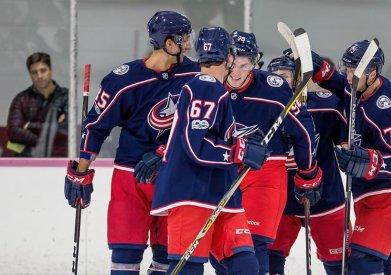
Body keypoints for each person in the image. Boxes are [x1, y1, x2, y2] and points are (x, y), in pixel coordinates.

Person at [63, 11, 199, 275]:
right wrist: (80, 171)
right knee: (125, 257)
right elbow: (96, 126)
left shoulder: (195, 75)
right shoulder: (123, 80)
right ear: (169, 44)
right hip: (131, 177)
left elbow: (203, 123)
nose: (189, 43)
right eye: (184, 38)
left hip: (174, 175)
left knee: (168, 257)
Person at [151, 26, 269, 275]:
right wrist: (238, 152)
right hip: (192, 192)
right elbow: (196, 146)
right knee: (189, 269)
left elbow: (213, 138)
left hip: (219, 191)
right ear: (228, 57)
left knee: (245, 264)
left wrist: (244, 144)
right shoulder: (206, 86)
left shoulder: (212, 89)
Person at [210, 30, 321, 275]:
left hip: (265, 173)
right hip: (221, 171)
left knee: (252, 245)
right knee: (219, 250)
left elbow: (302, 131)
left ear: (255, 61)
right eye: (232, 64)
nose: (237, 73)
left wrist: (308, 173)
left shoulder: (273, 88)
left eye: (245, 65)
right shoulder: (209, 86)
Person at [312, 40, 391, 274]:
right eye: (348, 69)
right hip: (370, 186)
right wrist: (319, 69)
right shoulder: (359, 86)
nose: (350, 75)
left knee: (364, 259)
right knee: (388, 260)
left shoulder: (385, 108)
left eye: (356, 71)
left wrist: (370, 161)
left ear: (373, 73)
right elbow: (340, 84)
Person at [266, 55, 350, 275]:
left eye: (285, 76)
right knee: (267, 265)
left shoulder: (326, 106)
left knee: (342, 265)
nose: (280, 82)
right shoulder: (263, 109)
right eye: (275, 77)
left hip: (326, 200)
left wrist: (351, 152)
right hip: (280, 204)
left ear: (297, 79)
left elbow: (350, 138)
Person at [6, 52, 68, 157]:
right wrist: (45, 138)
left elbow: (66, 130)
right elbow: (13, 132)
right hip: (26, 161)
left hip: (58, 160)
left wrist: (30, 126)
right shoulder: (22, 98)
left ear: (51, 70)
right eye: (34, 72)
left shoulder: (66, 96)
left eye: (43, 71)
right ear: (30, 74)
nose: (39, 76)